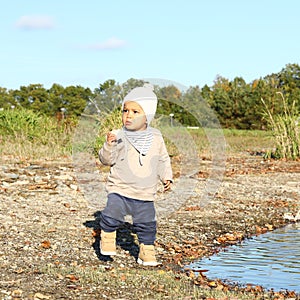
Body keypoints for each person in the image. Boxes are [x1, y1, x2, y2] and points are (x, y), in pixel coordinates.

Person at [98, 83, 172, 266]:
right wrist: (109, 145)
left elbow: (162, 159)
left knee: (147, 224)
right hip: (120, 188)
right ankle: (107, 235)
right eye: (125, 110)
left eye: (135, 112)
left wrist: (166, 176)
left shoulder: (155, 136)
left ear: (147, 116)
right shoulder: (118, 134)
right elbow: (106, 160)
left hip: (145, 192)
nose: (128, 115)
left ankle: (146, 250)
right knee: (112, 213)